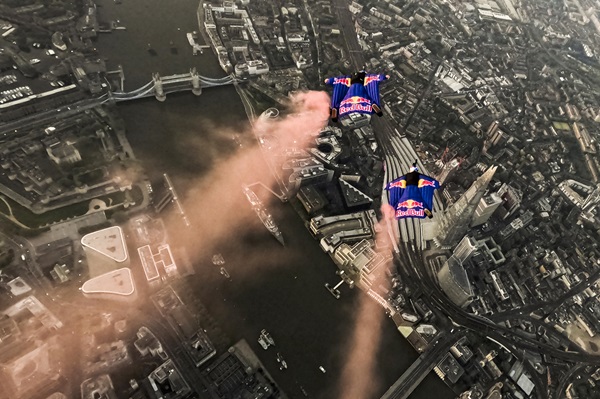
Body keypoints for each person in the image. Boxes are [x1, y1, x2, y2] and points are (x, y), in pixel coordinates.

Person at [324, 71, 389, 122]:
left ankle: (335, 109)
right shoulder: (367, 77)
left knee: (342, 101)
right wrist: (385, 77)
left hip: (350, 92)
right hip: (361, 90)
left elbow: (334, 80)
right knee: (369, 100)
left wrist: (328, 81)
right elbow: (377, 78)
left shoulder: (346, 79)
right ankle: (374, 106)